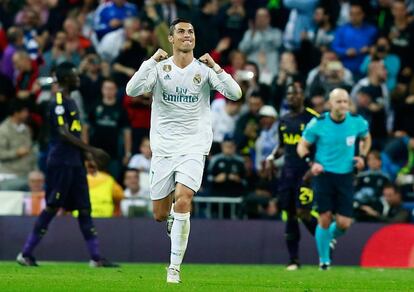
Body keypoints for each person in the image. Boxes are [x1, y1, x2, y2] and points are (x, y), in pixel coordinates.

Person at [126, 18, 242, 283]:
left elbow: (235, 94)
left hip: (193, 145)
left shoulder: (204, 69)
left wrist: (217, 67)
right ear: (171, 38)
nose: (187, 35)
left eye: (191, 31)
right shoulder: (159, 68)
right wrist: (151, 61)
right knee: (159, 215)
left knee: (184, 198)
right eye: (181, 31)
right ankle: (173, 222)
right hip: (164, 147)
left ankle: (174, 268)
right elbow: (131, 90)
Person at [16, 62, 117, 268]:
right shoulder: (59, 101)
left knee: (85, 208)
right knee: (53, 206)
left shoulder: (71, 101)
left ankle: (96, 258)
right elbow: (63, 133)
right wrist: (91, 150)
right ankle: (25, 253)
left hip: (75, 162)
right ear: (64, 79)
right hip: (60, 161)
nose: (78, 77)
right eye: (74, 74)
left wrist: (87, 159)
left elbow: (75, 133)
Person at [297, 88, 372, 270]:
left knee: (344, 224)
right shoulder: (319, 123)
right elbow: (302, 146)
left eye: (345, 101)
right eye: (338, 101)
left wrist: (362, 156)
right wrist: (311, 163)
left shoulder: (357, 122)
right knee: (324, 218)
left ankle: (328, 238)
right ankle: (324, 261)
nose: (343, 105)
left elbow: (366, 138)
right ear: (330, 104)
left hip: (346, 175)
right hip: (324, 175)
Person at [265, 82, 319, 270]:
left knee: (304, 213)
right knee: (290, 214)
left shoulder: (313, 119)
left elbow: (321, 146)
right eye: (289, 94)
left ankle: (324, 239)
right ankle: (293, 259)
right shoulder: (284, 120)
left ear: (302, 95)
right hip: (288, 173)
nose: (291, 97)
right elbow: (282, 146)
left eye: (295, 94)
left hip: (306, 174)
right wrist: (271, 157)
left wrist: (315, 168)